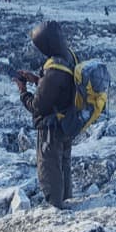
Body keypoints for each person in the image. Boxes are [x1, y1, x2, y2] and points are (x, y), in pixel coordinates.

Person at [16, 21, 76, 209]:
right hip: (66, 121)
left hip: (51, 128)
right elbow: (61, 88)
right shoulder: (69, 56)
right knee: (63, 164)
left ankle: (55, 208)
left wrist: (23, 91)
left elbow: (37, 106)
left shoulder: (54, 70)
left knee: (49, 168)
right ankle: (67, 201)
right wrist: (37, 80)